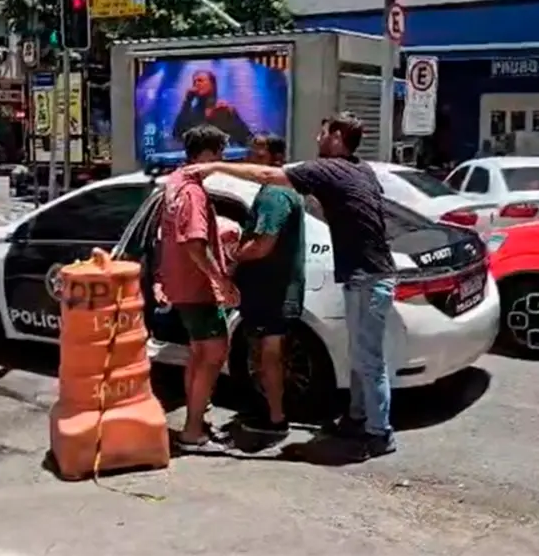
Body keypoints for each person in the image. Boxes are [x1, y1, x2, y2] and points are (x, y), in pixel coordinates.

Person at [184, 111, 398, 460]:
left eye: (324, 133)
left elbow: (271, 177)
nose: (318, 138)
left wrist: (215, 169)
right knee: (360, 357)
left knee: (369, 360)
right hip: (365, 275)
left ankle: (380, 432)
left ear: (339, 137)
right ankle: (358, 418)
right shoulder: (360, 169)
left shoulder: (330, 169)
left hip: (368, 277)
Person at [156, 124, 240, 453]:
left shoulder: (175, 183)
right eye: (217, 153)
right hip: (198, 288)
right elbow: (194, 243)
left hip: (182, 285)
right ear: (203, 154)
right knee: (214, 354)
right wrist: (221, 280)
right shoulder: (192, 191)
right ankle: (193, 432)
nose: (219, 160)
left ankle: (196, 420)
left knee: (199, 354)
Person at [229, 134, 304, 436]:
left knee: (268, 356)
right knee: (270, 355)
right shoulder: (283, 190)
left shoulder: (274, 195)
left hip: (270, 293)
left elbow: (262, 246)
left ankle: (275, 419)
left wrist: (232, 256)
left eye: (257, 152)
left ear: (275, 158)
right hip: (274, 290)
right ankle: (272, 411)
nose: (250, 155)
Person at [172, 70, 252, 147]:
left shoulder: (226, 110)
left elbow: (246, 139)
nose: (196, 84)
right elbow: (177, 136)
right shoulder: (190, 112)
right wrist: (187, 102)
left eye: (200, 81)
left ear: (212, 84)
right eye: (194, 82)